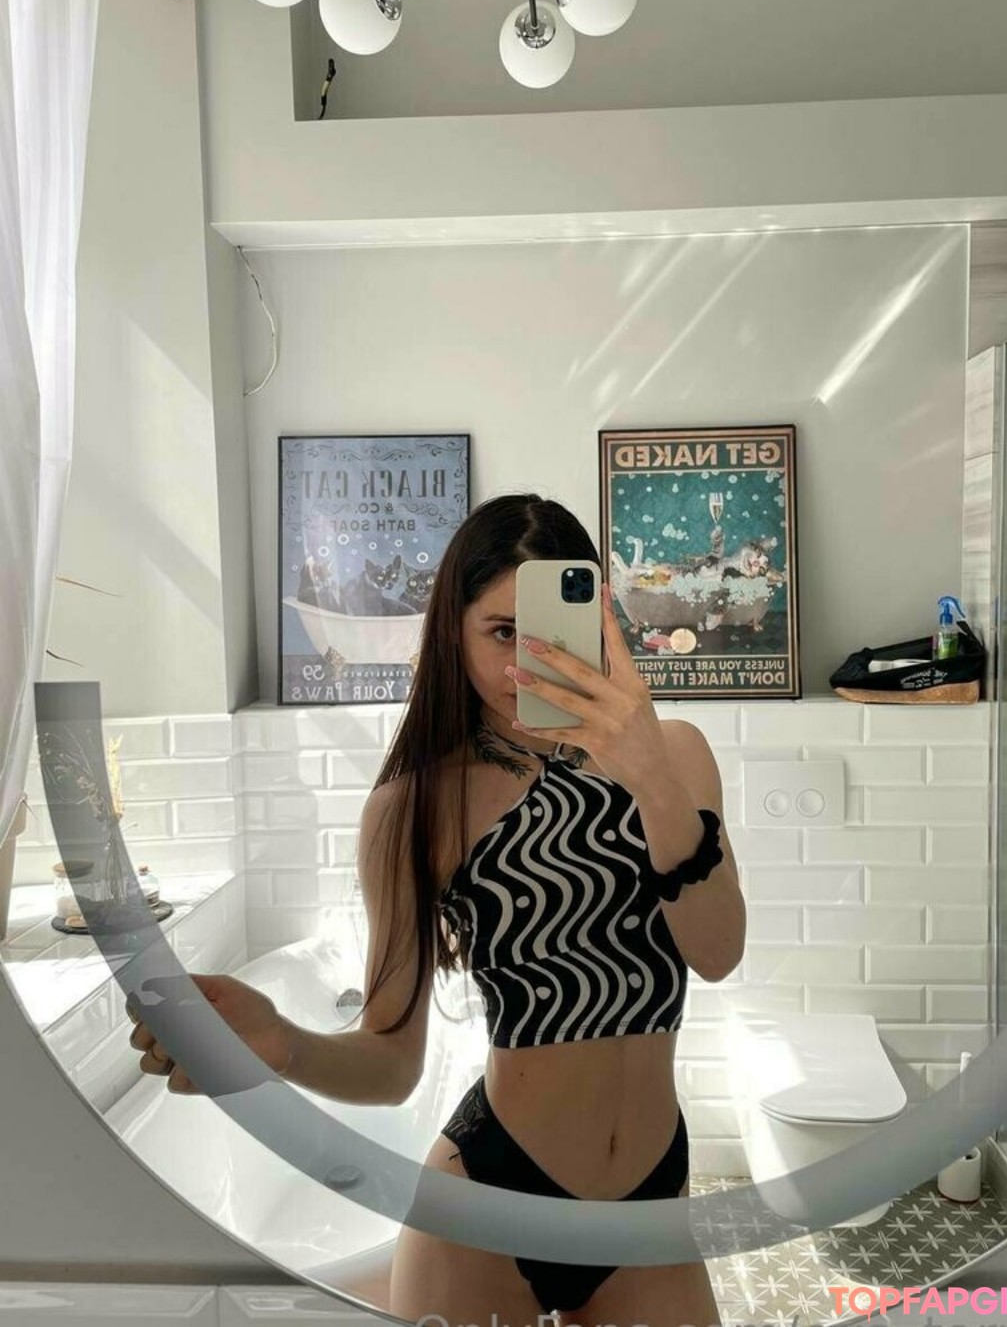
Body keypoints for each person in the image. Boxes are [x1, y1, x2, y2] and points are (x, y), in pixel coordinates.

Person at [128, 493, 746, 1326]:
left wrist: (650, 779)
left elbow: (718, 951)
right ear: (453, 634)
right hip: (487, 1203)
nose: (529, 663)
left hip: (651, 1201)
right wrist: (283, 1043)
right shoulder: (417, 807)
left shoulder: (677, 755)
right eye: (502, 632)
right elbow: (393, 1062)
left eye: (552, 629)